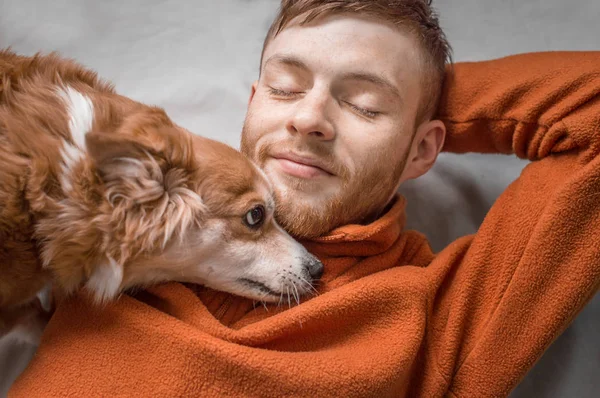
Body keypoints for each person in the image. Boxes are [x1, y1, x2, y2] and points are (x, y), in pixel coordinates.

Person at [9, 0, 600, 396]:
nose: (309, 118)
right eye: (285, 87)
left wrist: (426, 95)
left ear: (425, 151)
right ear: (251, 102)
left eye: (365, 103)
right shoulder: (124, 215)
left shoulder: (439, 313)